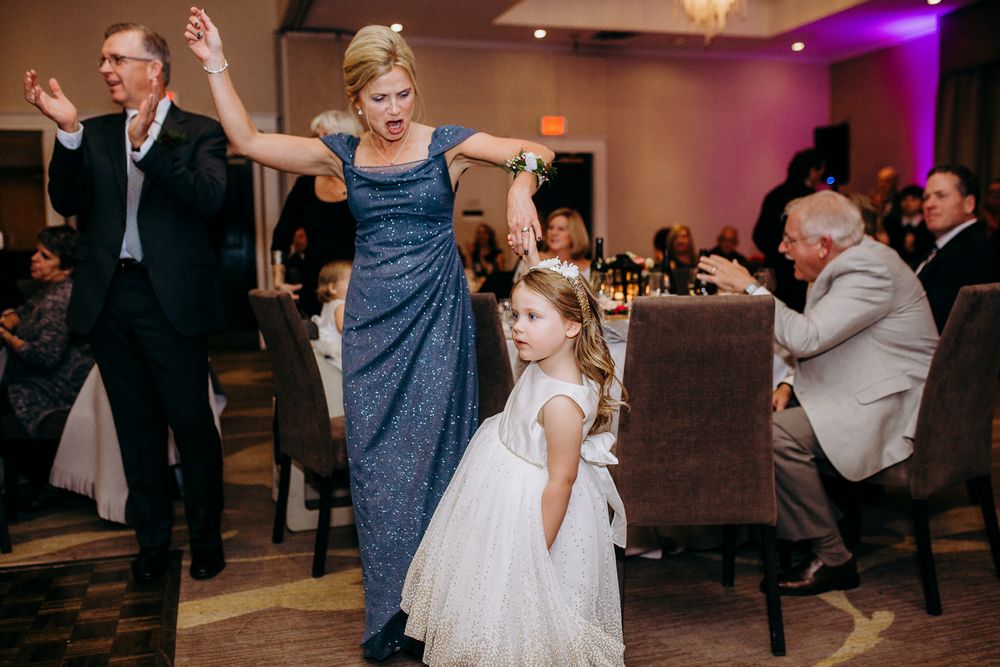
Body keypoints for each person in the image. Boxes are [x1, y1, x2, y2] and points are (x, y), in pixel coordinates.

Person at [184, 9, 553, 658]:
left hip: (436, 325)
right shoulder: (343, 154)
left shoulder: (446, 146)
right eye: (380, 99)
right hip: (371, 330)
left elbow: (537, 152)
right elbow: (246, 140)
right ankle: (392, 615)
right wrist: (216, 61)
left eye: (404, 94)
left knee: (439, 465)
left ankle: (441, 613)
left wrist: (521, 188)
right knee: (379, 474)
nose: (395, 110)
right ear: (356, 100)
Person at [24, 22, 228, 582]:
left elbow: (210, 198)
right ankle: (152, 543)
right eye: (103, 59)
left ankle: (206, 540)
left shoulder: (199, 131)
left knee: (191, 425)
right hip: (109, 300)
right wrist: (67, 132)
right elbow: (65, 199)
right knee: (135, 430)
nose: (104, 69)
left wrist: (148, 147)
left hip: (173, 302)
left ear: (153, 69)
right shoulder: (90, 133)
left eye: (116, 58)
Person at [699, 191, 937, 596]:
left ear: (824, 244)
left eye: (790, 240)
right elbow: (828, 336)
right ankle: (813, 523)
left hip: (894, 407)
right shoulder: (850, 261)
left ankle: (832, 554)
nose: (781, 248)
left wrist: (750, 288)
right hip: (864, 387)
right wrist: (789, 383)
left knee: (771, 435)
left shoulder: (867, 269)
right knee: (766, 423)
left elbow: (806, 337)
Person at [401, 243, 626, 665]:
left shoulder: (562, 404)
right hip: (500, 483)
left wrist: (535, 550)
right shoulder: (544, 359)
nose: (518, 327)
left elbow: (561, 481)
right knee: (490, 597)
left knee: (529, 606)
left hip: (533, 508)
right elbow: (555, 293)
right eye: (516, 314)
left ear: (572, 325)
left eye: (532, 317)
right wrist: (536, 258)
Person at [0, 226, 94, 502]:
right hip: (39, 383)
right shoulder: (47, 292)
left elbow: (45, 357)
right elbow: (23, 311)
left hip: (55, 391)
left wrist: (8, 337)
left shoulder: (61, 298)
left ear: (66, 268)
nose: (34, 258)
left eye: (45, 256)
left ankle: (43, 483)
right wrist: (11, 318)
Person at [271, 109, 362, 316]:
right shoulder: (305, 184)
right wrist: (278, 280)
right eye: (316, 136)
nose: (318, 143)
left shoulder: (364, 183)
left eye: (326, 136)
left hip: (360, 288)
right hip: (316, 291)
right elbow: (281, 236)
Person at [916, 165, 1000, 333]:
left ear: (969, 204)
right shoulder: (948, 246)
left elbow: (935, 324)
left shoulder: (969, 253)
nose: (929, 204)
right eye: (926, 197)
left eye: (941, 196)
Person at [752, 148, 825, 312]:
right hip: (802, 275)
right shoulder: (812, 199)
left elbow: (758, 235)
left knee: (775, 316)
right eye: (820, 172)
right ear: (812, 171)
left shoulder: (774, 194)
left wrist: (775, 255)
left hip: (775, 273)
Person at [513, 207, 590, 282]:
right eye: (550, 227)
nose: (554, 233)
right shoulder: (530, 259)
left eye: (561, 229)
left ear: (575, 234)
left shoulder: (590, 267)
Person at [882, 184, 934, 269]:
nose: (908, 203)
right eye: (905, 200)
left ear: (922, 202)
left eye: (913, 200)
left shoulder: (928, 225)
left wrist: (912, 248)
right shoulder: (891, 223)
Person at [311, 260, 351, 368]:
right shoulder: (341, 305)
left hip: (327, 351)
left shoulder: (328, 304)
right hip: (337, 352)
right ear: (333, 288)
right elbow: (342, 327)